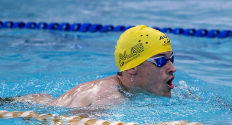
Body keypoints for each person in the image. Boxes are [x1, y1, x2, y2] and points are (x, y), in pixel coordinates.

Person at [14, 25, 176, 107]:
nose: (172, 68)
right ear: (132, 67)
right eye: (161, 61)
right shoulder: (111, 98)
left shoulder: (128, 91)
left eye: (171, 59)